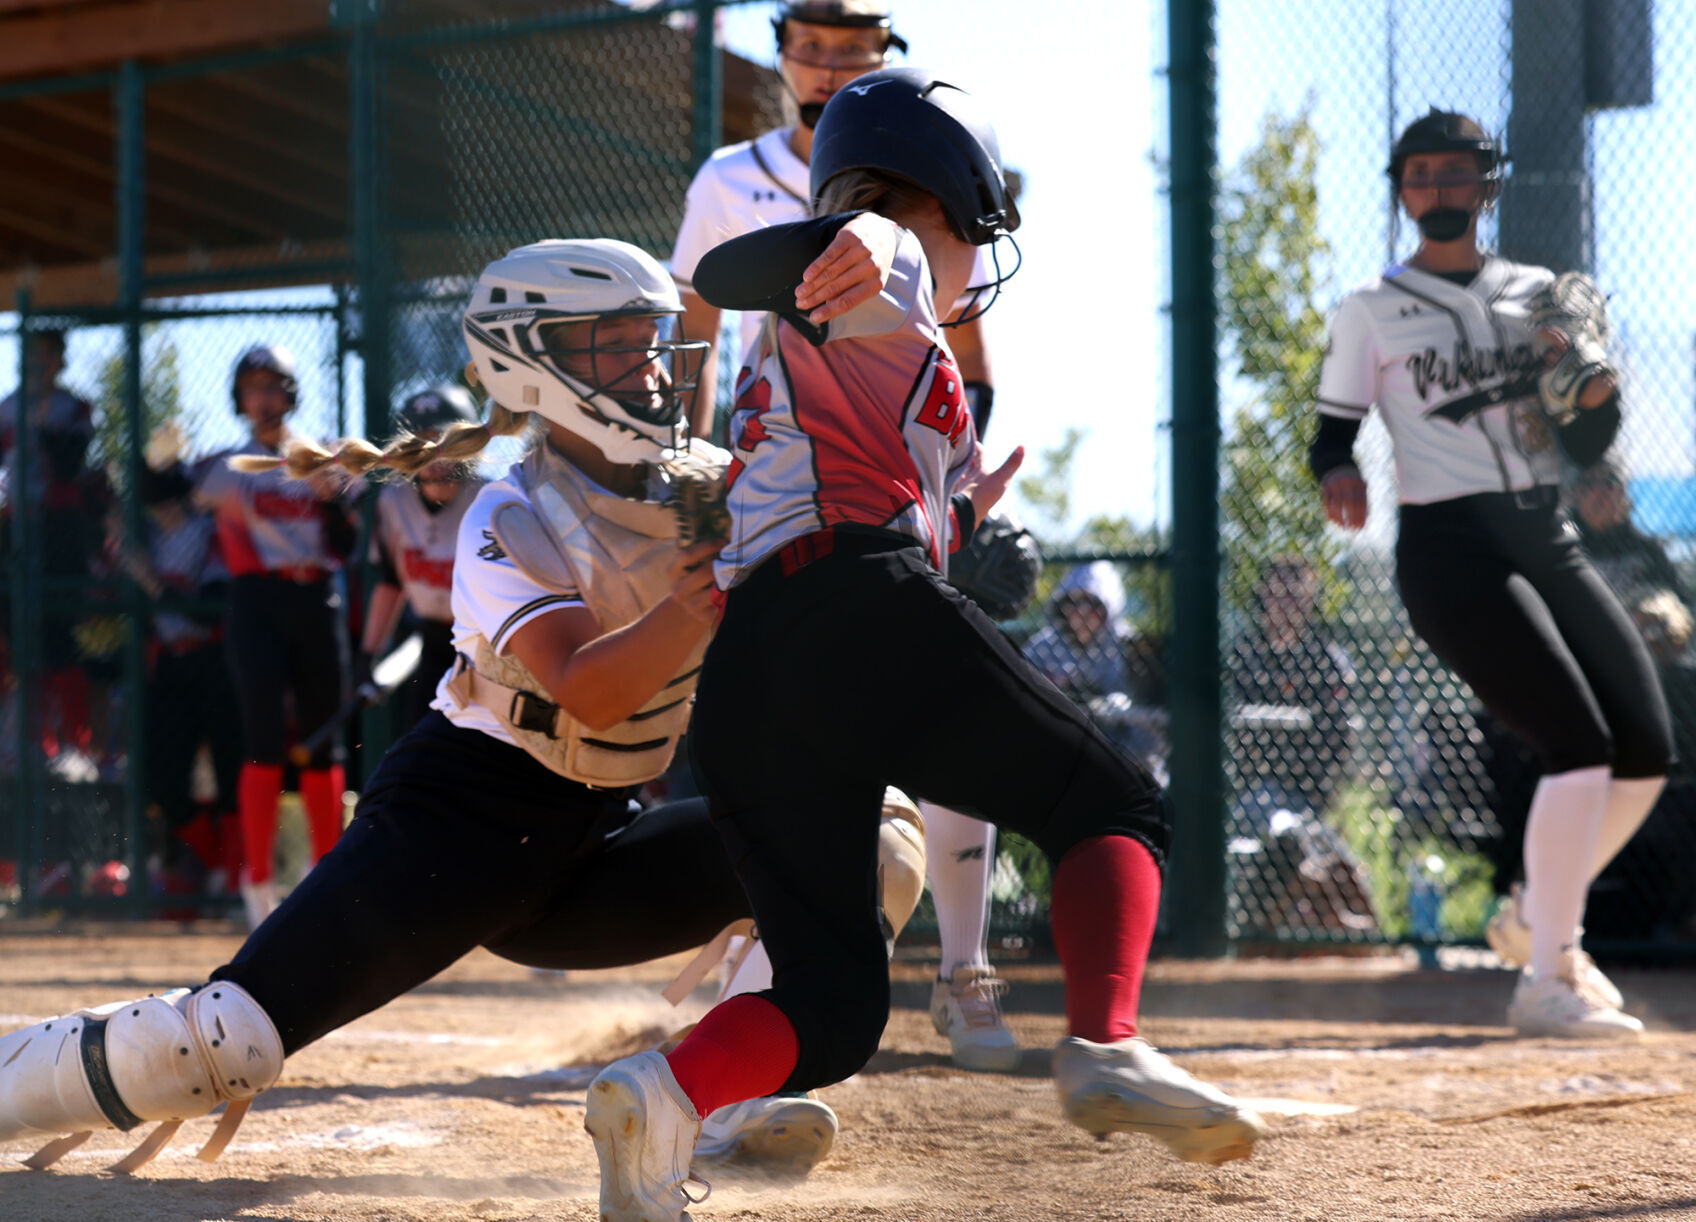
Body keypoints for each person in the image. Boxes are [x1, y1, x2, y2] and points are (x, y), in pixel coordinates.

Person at [0, 238, 867, 1181]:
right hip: (460, 820)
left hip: (599, 835)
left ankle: (705, 1104)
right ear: (531, 362)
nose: (652, 367)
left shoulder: (707, 484)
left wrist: (935, 540)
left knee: (873, 835)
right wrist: (709, 592)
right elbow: (589, 686)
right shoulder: (509, 512)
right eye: (615, 343)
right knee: (213, 1044)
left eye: (653, 340)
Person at [582, 69, 1266, 1222]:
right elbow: (870, 245)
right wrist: (860, 233)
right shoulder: (882, 260)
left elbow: (853, 477)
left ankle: (662, 1094)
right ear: (928, 200)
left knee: (834, 1003)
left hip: (753, 669)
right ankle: (1104, 1043)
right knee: (1113, 805)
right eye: (967, 225)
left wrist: (960, 530)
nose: (966, 262)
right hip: (854, 603)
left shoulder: (839, 345)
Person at [670, 0, 1021, 1071]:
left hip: (901, 473)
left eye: (850, 47)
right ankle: (761, 957)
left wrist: (953, 490)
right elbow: (695, 328)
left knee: (970, 679)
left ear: (883, 54)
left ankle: (962, 971)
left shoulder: (919, 152)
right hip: (776, 477)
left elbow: (969, 358)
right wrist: (690, 470)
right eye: (807, 45)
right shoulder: (728, 180)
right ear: (779, 55)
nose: (825, 63)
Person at [1312, 108, 1671, 1038]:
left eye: (1455, 171)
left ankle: (1532, 916)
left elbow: (1588, 439)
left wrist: (1595, 390)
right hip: (1450, 549)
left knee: (1642, 748)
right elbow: (1331, 435)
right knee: (1579, 744)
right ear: (1401, 189)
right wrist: (1338, 471)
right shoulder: (1370, 307)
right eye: (1419, 172)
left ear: (1488, 184)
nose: (1436, 186)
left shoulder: (1539, 294)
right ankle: (1549, 975)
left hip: (1543, 534)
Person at [195, 345, 360, 928]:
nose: (262, 398)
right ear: (238, 398)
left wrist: (335, 500)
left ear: (290, 394)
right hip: (255, 602)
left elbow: (347, 546)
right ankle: (258, 883)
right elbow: (162, 500)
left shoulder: (319, 457)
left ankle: (326, 874)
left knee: (322, 741)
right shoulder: (224, 466)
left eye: (272, 387)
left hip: (316, 598)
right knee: (263, 737)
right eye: (251, 388)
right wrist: (156, 469)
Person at [1225, 558, 1377, 938]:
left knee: (1308, 843)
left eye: (1296, 594)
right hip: (1240, 788)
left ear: (1311, 601)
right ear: (1262, 597)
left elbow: (1337, 737)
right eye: (1277, 593)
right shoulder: (1240, 654)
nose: (1286, 603)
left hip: (1302, 792)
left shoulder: (1326, 660)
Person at [121, 462, 244, 901]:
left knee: (233, 774)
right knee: (164, 781)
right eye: (156, 504)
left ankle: (237, 881)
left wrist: (151, 583)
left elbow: (207, 606)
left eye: (168, 502)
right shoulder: (145, 538)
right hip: (170, 665)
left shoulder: (207, 533)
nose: (163, 512)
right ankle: (214, 866)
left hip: (215, 662)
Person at [358, 384, 487, 734]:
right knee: (420, 740)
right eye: (421, 442)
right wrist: (369, 653)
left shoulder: (490, 501)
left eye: (444, 441)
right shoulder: (393, 503)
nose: (433, 453)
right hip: (431, 641)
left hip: (488, 647)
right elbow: (391, 581)